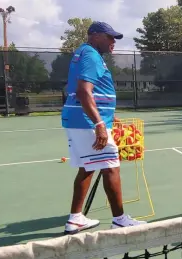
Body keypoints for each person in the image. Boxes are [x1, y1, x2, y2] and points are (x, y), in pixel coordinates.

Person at [61, 21, 146, 235]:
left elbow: (93, 91)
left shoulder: (85, 53)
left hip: (81, 120)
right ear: (95, 36)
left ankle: (76, 218)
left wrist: (108, 115)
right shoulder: (90, 55)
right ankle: (119, 219)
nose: (113, 43)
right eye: (110, 38)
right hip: (87, 123)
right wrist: (99, 123)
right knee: (110, 167)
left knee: (88, 166)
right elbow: (83, 91)